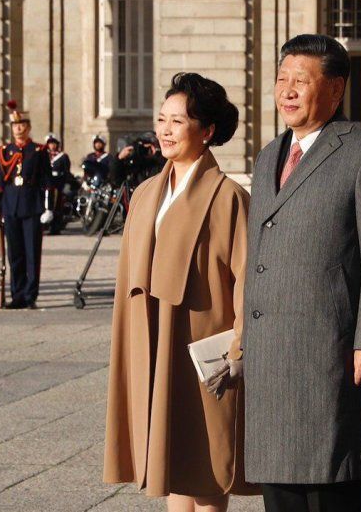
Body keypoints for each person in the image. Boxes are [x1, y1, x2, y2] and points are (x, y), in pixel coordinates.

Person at [241, 34, 361, 512]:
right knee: (279, 484)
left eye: (300, 81)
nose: (287, 90)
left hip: (329, 348)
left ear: (335, 90)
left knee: (332, 480)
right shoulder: (268, 156)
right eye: (281, 80)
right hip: (270, 353)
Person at [103, 72, 260, 511]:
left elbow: (249, 278)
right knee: (169, 461)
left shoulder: (228, 197)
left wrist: (239, 348)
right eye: (162, 119)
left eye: (178, 121)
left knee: (207, 462)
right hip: (153, 340)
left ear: (207, 132)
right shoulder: (148, 191)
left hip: (203, 345)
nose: (166, 130)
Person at [0, 101, 51, 309]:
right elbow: (1, 183)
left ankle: (30, 296)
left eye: (22, 125)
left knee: (31, 253)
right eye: (15, 126)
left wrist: (47, 207)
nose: (18, 128)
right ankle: (16, 295)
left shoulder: (38, 150)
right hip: (11, 204)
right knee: (15, 254)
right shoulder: (5, 151)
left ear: (28, 127)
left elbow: (46, 180)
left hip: (31, 205)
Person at [45, 134, 72, 234]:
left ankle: (55, 227)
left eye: (54, 143)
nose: (52, 146)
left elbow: (66, 171)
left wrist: (67, 183)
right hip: (47, 182)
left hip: (58, 182)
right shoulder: (44, 155)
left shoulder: (63, 156)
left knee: (57, 205)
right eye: (50, 143)